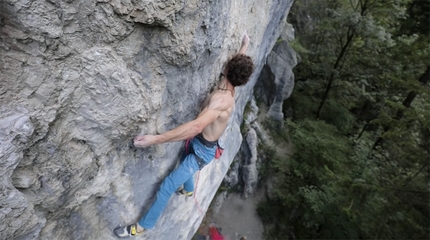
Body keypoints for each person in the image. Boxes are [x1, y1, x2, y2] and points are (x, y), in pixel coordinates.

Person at [114, 33, 254, 238]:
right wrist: (245, 45)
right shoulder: (229, 86)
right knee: (183, 161)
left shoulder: (222, 100)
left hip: (202, 151)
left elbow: (196, 126)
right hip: (202, 145)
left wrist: (155, 139)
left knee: (168, 185)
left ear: (226, 69)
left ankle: (142, 227)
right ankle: (189, 190)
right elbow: (237, 68)